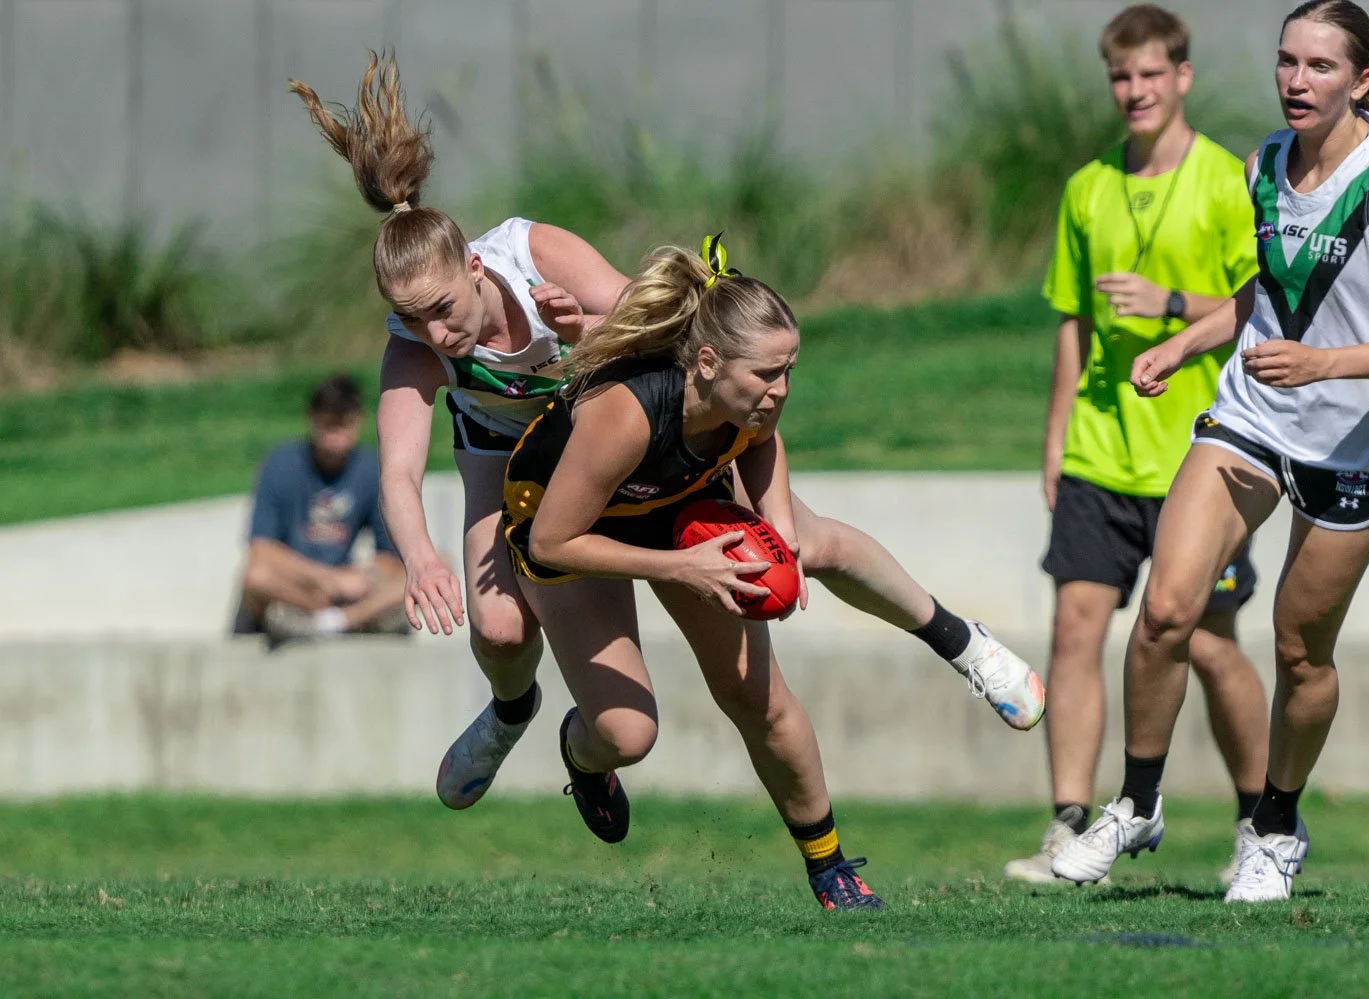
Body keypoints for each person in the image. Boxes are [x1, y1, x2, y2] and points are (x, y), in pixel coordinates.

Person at [288, 53, 1046, 816]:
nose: (434, 329)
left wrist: (579, 331)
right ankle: (511, 712)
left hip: (633, 437)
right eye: (410, 315)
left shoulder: (532, 254)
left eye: (443, 307)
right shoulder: (414, 349)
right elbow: (398, 472)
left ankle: (962, 642)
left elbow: (651, 332)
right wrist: (418, 556)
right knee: (498, 622)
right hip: (516, 458)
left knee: (808, 544)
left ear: (477, 267)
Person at [1051, 0, 1369, 902]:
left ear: (1361, 81)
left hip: (1355, 444)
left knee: (1299, 650)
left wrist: (1326, 364)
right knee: (1165, 610)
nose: (1295, 81)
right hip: (1252, 421)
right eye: (1286, 62)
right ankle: (1140, 800)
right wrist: (1187, 340)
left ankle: (1275, 826)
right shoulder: (1263, 162)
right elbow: (1268, 290)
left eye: (1319, 67)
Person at [502, 236, 903, 907]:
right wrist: (680, 567)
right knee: (628, 734)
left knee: (758, 695)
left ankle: (830, 866)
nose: (781, 390)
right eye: (767, 374)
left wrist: (780, 532)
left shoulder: (745, 403)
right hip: (565, 530)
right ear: (708, 362)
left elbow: (761, 442)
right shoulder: (627, 412)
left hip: (670, 512)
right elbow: (553, 540)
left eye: (789, 370)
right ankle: (580, 750)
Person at [1006, 4, 1269, 884]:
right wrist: (1055, 438)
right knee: (1075, 627)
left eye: (1152, 75)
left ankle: (1257, 823)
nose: (1136, 92)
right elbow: (1071, 324)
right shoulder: (1087, 187)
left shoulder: (1229, 181)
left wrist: (1169, 303)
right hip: (1099, 451)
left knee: (1207, 641)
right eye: (1122, 77)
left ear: (1183, 77)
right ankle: (1069, 823)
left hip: (1203, 454)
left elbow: (1258, 309)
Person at [235, 373, 407, 643]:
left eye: (343, 424)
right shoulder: (280, 464)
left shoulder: (371, 470)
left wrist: (361, 576)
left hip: (349, 590)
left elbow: (391, 556)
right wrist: (325, 578)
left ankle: (339, 621)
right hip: (297, 585)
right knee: (255, 577)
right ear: (312, 419)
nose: (334, 435)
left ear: (359, 420)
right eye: (328, 424)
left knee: (433, 569)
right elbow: (261, 550)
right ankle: (328, 618)